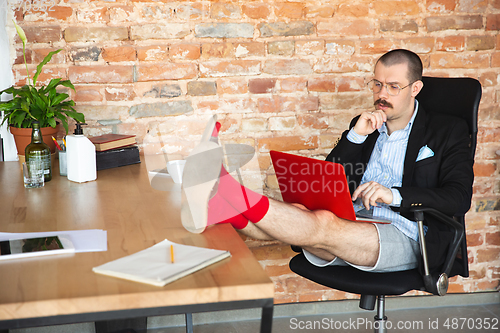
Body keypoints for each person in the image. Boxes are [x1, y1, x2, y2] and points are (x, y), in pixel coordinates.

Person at [180, 49, 474, 273]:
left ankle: (225, 188)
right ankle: (220, 207)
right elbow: (331, 176)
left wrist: (393, 194)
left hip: (409, 234)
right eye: (377, 84)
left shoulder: (448, 130)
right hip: (353, 219)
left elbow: (458, 198)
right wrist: (355, 136)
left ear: (415, 88)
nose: (381, 95)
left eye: (393, 87)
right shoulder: (366, 125)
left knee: (321, 222)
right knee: (298, 211)